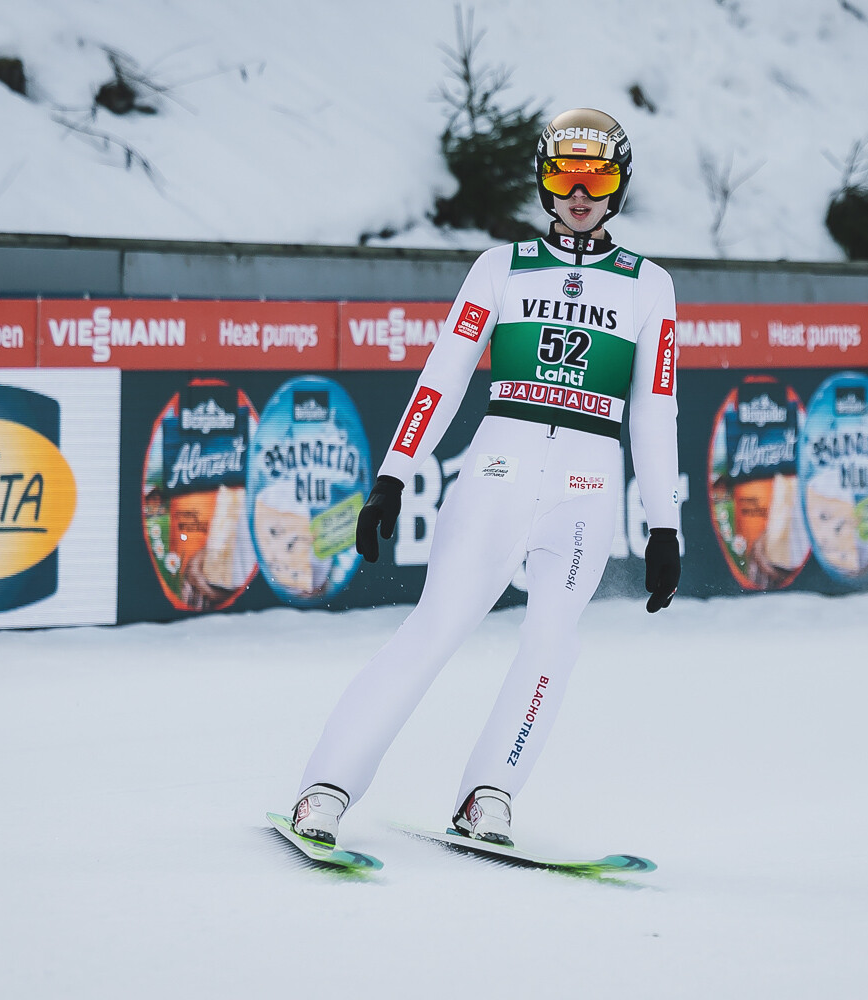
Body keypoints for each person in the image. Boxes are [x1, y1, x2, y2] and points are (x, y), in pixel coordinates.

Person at [289, 108, 681, 849]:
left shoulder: (648, 285)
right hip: (497, 471)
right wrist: (393, 475)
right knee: (436, 626)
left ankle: (489, 795)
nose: (579, 194)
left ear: (619, 185)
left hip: (588, 488)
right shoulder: (500, 268)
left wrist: (666, 525)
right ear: (544, 180)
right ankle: (326, 789)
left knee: (552, 641)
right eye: (565, 176)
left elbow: (657, 410)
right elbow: (442, 377)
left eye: (597, 178)